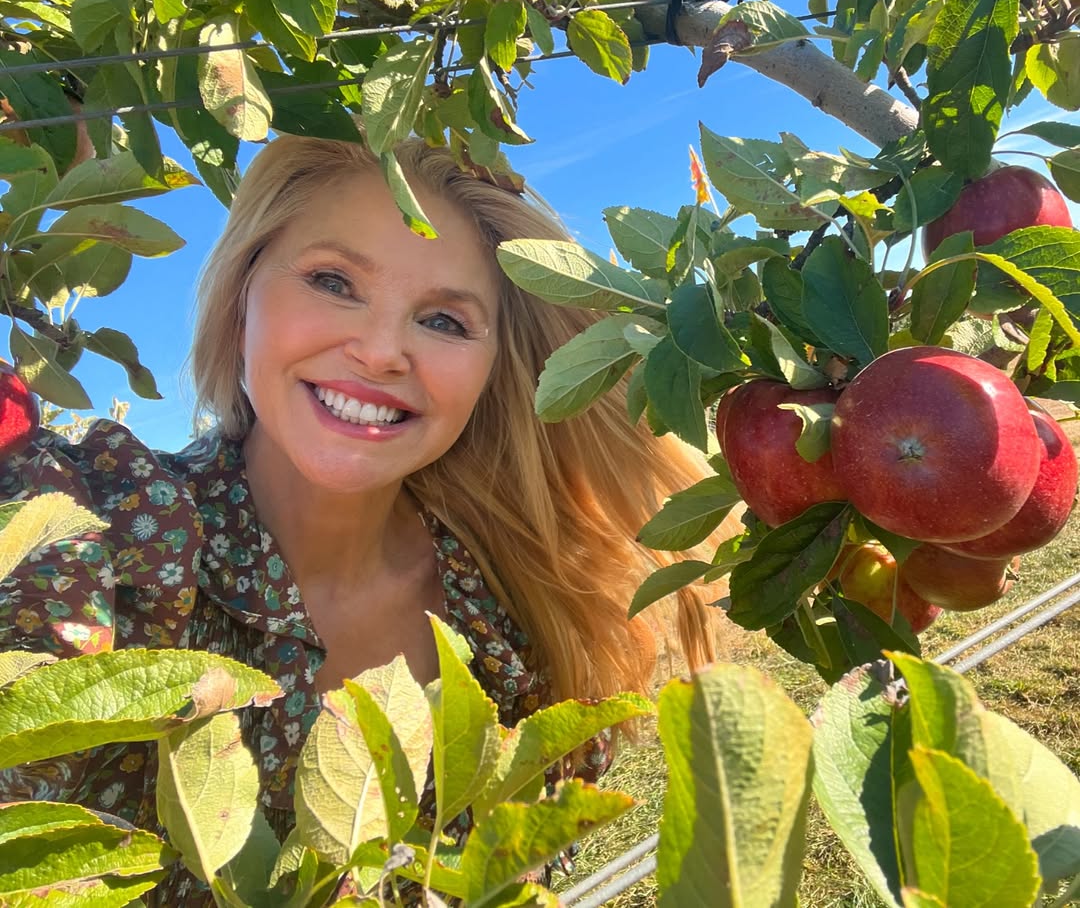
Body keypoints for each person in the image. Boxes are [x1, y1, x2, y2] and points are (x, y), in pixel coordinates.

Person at [0, 131, 724, 902]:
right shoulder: (108, 533)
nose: (381, 351)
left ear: (492, 370)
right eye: (333, 280)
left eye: (444, 321)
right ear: (242, 294)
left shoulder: (517, 611)